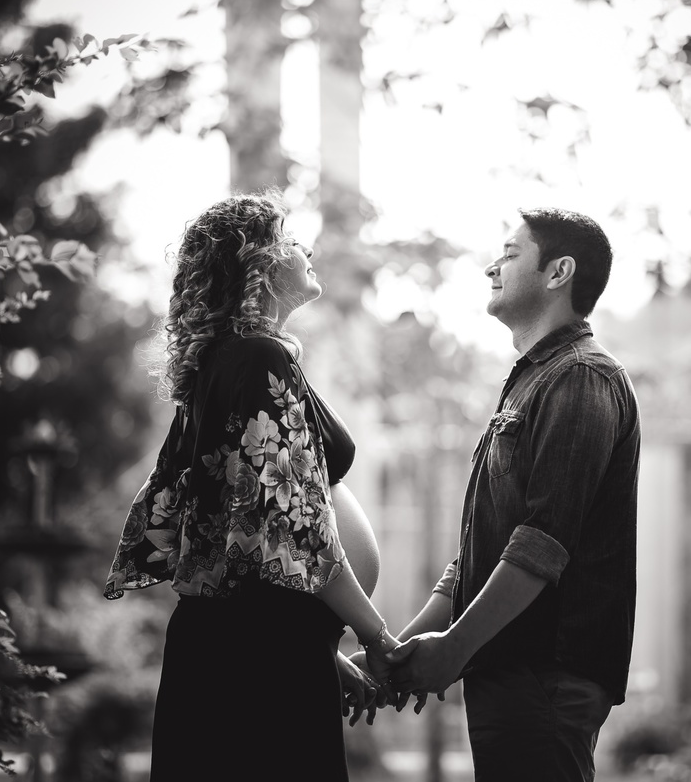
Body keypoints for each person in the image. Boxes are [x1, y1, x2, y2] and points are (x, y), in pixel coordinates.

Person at [103, 192, 395, 782]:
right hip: (258, 662)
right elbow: (296, 529)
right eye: (290, 239)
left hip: (258, 649)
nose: (307, 249)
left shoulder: (228, 363)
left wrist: (321, 650)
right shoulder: (256, 359)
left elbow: (237, 540)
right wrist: (378, 637)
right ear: (257, 262)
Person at [386, 207, 640, 782]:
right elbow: (482, 551)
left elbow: (540, 544)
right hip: (509, 672)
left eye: (509, 253)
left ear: (558, 272)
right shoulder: (533, 379)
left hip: (544, 676)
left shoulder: (581, 377)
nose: (491, 267)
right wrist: (398, 653)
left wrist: (454, 649)